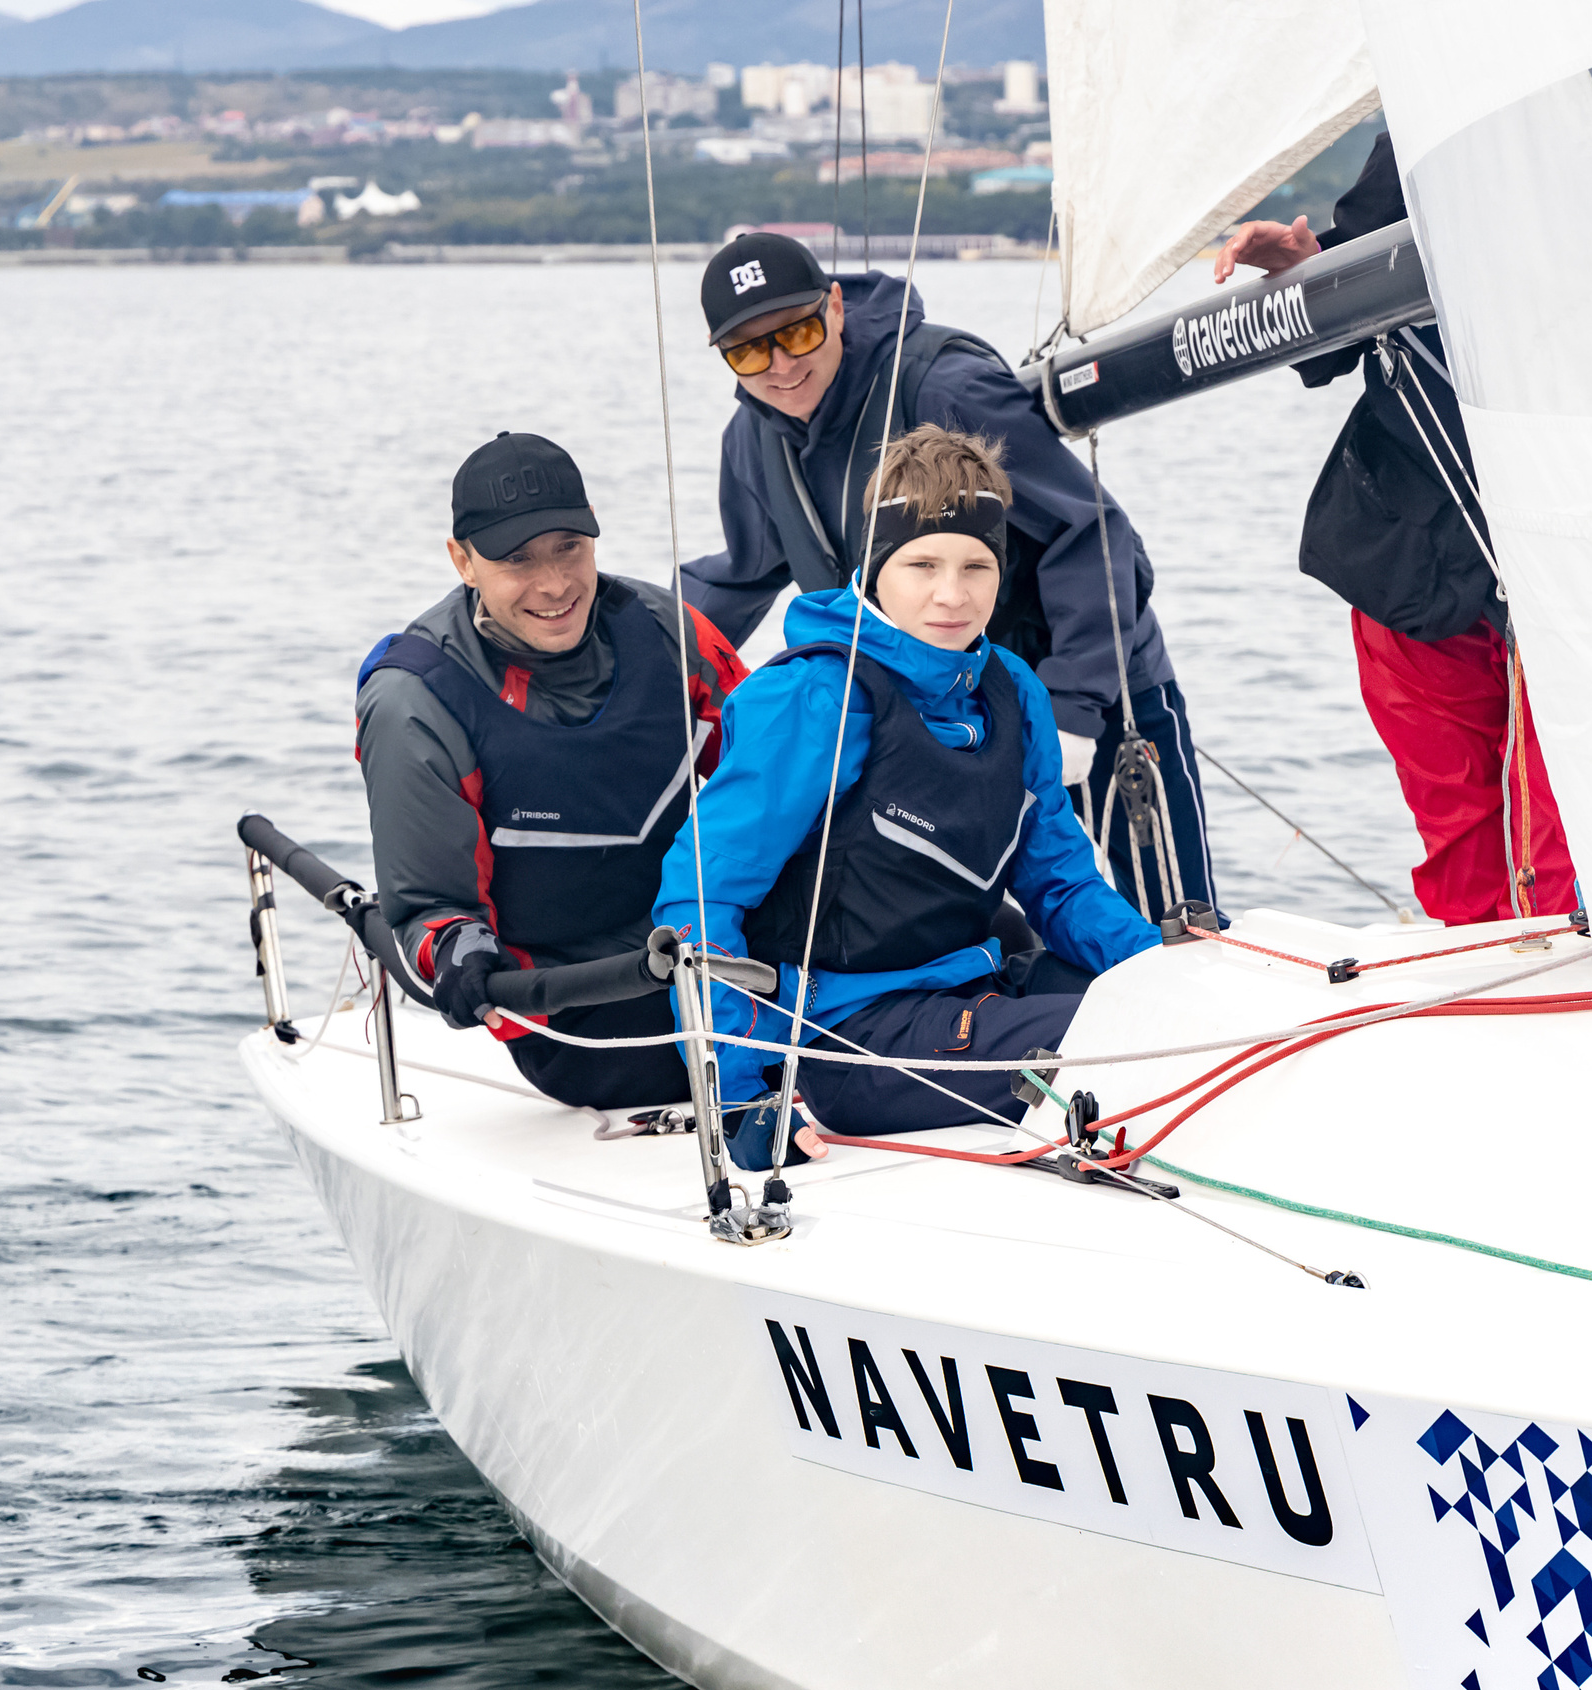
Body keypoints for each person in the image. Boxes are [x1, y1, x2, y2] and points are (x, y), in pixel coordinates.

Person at [655, 426, 1159, 1165]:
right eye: (921, 563)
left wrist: (1165, 966)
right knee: (1125, 1038)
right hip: (843, 1039)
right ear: (876, 564)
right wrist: (735, 1094)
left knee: (1166, 1007)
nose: (951, 595)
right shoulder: (816, 697)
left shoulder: (1012, 691)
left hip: (965, 989)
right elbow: (700, 895)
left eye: (976, 565)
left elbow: (1060, 882)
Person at [681, 229, 1214, 917]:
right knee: (1001, 929)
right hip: (945, 718)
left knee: (1179, 921)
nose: (780, 365)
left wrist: (1074, 708)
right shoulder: (752, 440)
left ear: (836, 308)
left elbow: (1091, 531)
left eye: (800, 332)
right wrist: (636, 645)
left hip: (1090, 693)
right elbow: (738, 574)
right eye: (749, 349)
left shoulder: (947, 386)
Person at [1216, 134, 1580, 925]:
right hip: (1416, 565)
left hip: (1587, 562)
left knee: (1573, 853)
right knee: (1468, 859)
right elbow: (1333, 343)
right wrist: (1304, 271)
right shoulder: (1432, 116)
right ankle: (1496, 1003)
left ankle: (1570, 1002)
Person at [355, 431, 746, 1108]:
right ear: (463, 561)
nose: (555, 583)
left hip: (718, 957)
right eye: (517, 560)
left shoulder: (666, 628)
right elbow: (433, 909)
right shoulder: (413, 703)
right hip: (577, 1015)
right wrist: (456, 949)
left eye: (570, 548)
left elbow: (779, 777)